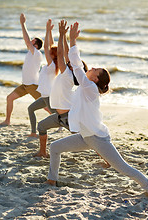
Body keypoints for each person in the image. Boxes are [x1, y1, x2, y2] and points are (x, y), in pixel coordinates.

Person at [45, 22, 148, 198]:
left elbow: (76, 64)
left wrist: (73, 40)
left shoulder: (90, 88)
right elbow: (72, 62)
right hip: (85, 136)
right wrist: (68, 39)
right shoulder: (86, 87)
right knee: (55, 147)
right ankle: (51, 180)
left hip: (97, 138)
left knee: (123, 168)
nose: (91, 68)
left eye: (95, 69)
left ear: (96, 79)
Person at [34, 20, 87, 158]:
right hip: (58, 116)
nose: (68, 61)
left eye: (70, 63)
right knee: (41, 126)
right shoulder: (69, 73)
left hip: (68, 118)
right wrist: (66, 37)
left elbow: (62, 55)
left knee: (89, 138)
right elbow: (67, 54)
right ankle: (42, 152)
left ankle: (105, 158)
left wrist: (62, 34)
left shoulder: (67, 74)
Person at [0, 13, 43, 126]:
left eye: (32, 41)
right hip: (24, 85)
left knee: (46, 106)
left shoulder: (36, 53)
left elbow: (26, 41)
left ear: (36, 45)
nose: (29, 42)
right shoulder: (30, 52)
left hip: (32, 86)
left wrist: (23, 24)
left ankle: (60, 122)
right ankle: (7, 121)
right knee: (9, 98)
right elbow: (27, 41)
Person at [27, 19, 61, 138]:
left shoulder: (52, 66)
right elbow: (50, 46)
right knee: (31, 109)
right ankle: (33, 132)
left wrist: (47, 31)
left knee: (57, 115)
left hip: (48, 95)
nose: (48, 52)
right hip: (44, 95)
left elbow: (46, 47)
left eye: (50, 52)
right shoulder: (51, 65)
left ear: (52, 55)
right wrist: (50, 32)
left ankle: (66, 125)